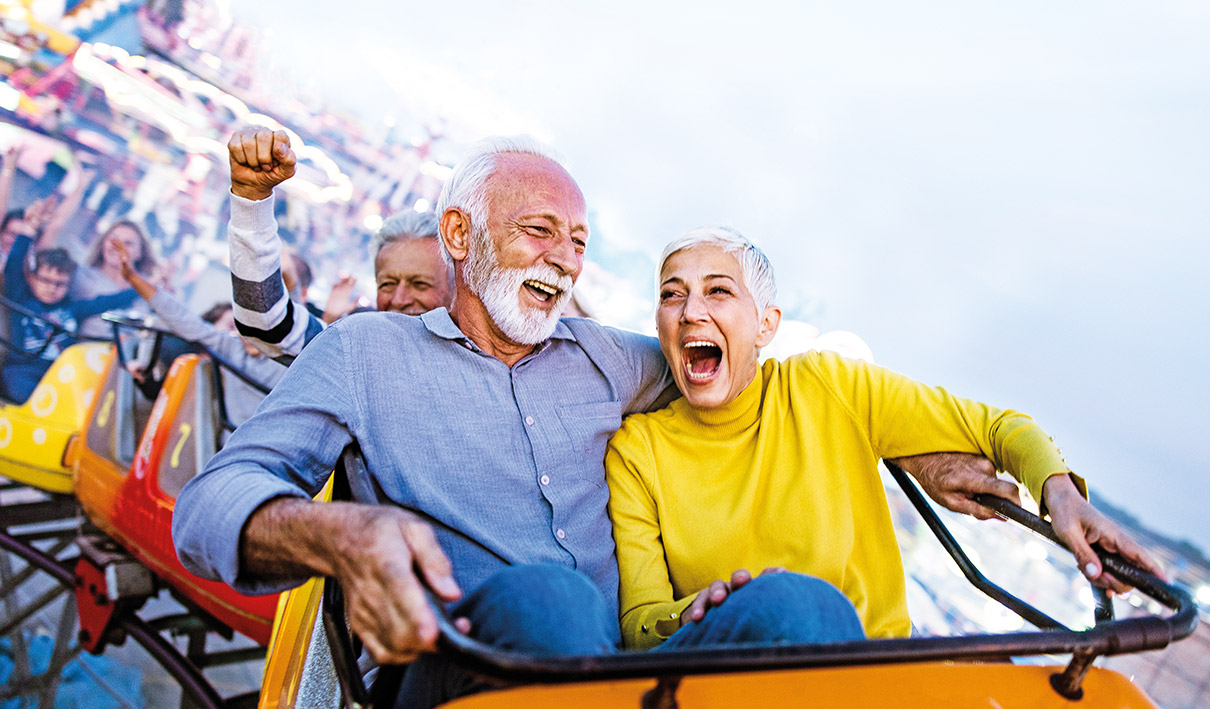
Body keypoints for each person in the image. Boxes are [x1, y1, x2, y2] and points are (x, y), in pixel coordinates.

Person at [174, 134, 1055, 706]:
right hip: (475, 659)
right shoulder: (367, 354)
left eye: (580, 243)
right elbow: (212, 504)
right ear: (457, 231)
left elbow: (736, 367)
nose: (563, 261)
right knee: (549, 596)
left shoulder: (607, 358)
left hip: (631, 674)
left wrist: (931, 452)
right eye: (538, 232)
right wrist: (339, 531)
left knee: (798, 603)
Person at [605, 227, 1166, 650]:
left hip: (877, 670)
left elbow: (998, 428)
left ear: (766, 325)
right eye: (672, 295)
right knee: (790, 607)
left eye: (718, 291)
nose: (690, 312)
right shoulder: (637, 452)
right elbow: (640, 625)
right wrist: (697, 613)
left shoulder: (827, 386)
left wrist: (1061, 497)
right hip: (728, 681)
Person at [223, 128, 450, 360]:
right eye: (388, 284)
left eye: (420, 284)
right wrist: (251, 196)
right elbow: (265, 326)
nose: (399, 299)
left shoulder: (473, 370)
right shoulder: (356, 355)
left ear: (454, 292)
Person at [109, 240, 286, 425]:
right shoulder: (231, 348)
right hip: (229, 444)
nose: (248, 334)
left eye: (259, 325)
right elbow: (180, 317)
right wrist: (132, 277)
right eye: (244, 324)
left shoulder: (288, 360)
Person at [1, 233, 136, 402]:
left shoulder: (72, 310)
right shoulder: (22, 300)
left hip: (62, 372)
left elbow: (107, 302)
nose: (52, 288)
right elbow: (13, 269)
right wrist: (26, 233)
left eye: (60, 283)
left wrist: (142, 288)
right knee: (19, 385)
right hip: (23, 369)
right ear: (33, 278)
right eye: (45, 280)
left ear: (69, 285)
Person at [70, 219, 158, 339]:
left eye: (128, 243)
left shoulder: (152, 284)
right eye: (113, 239)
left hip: (131, 355)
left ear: (140, 253)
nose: (117, 246)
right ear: (103, 244)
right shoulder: (82, 276)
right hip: (86, 351)